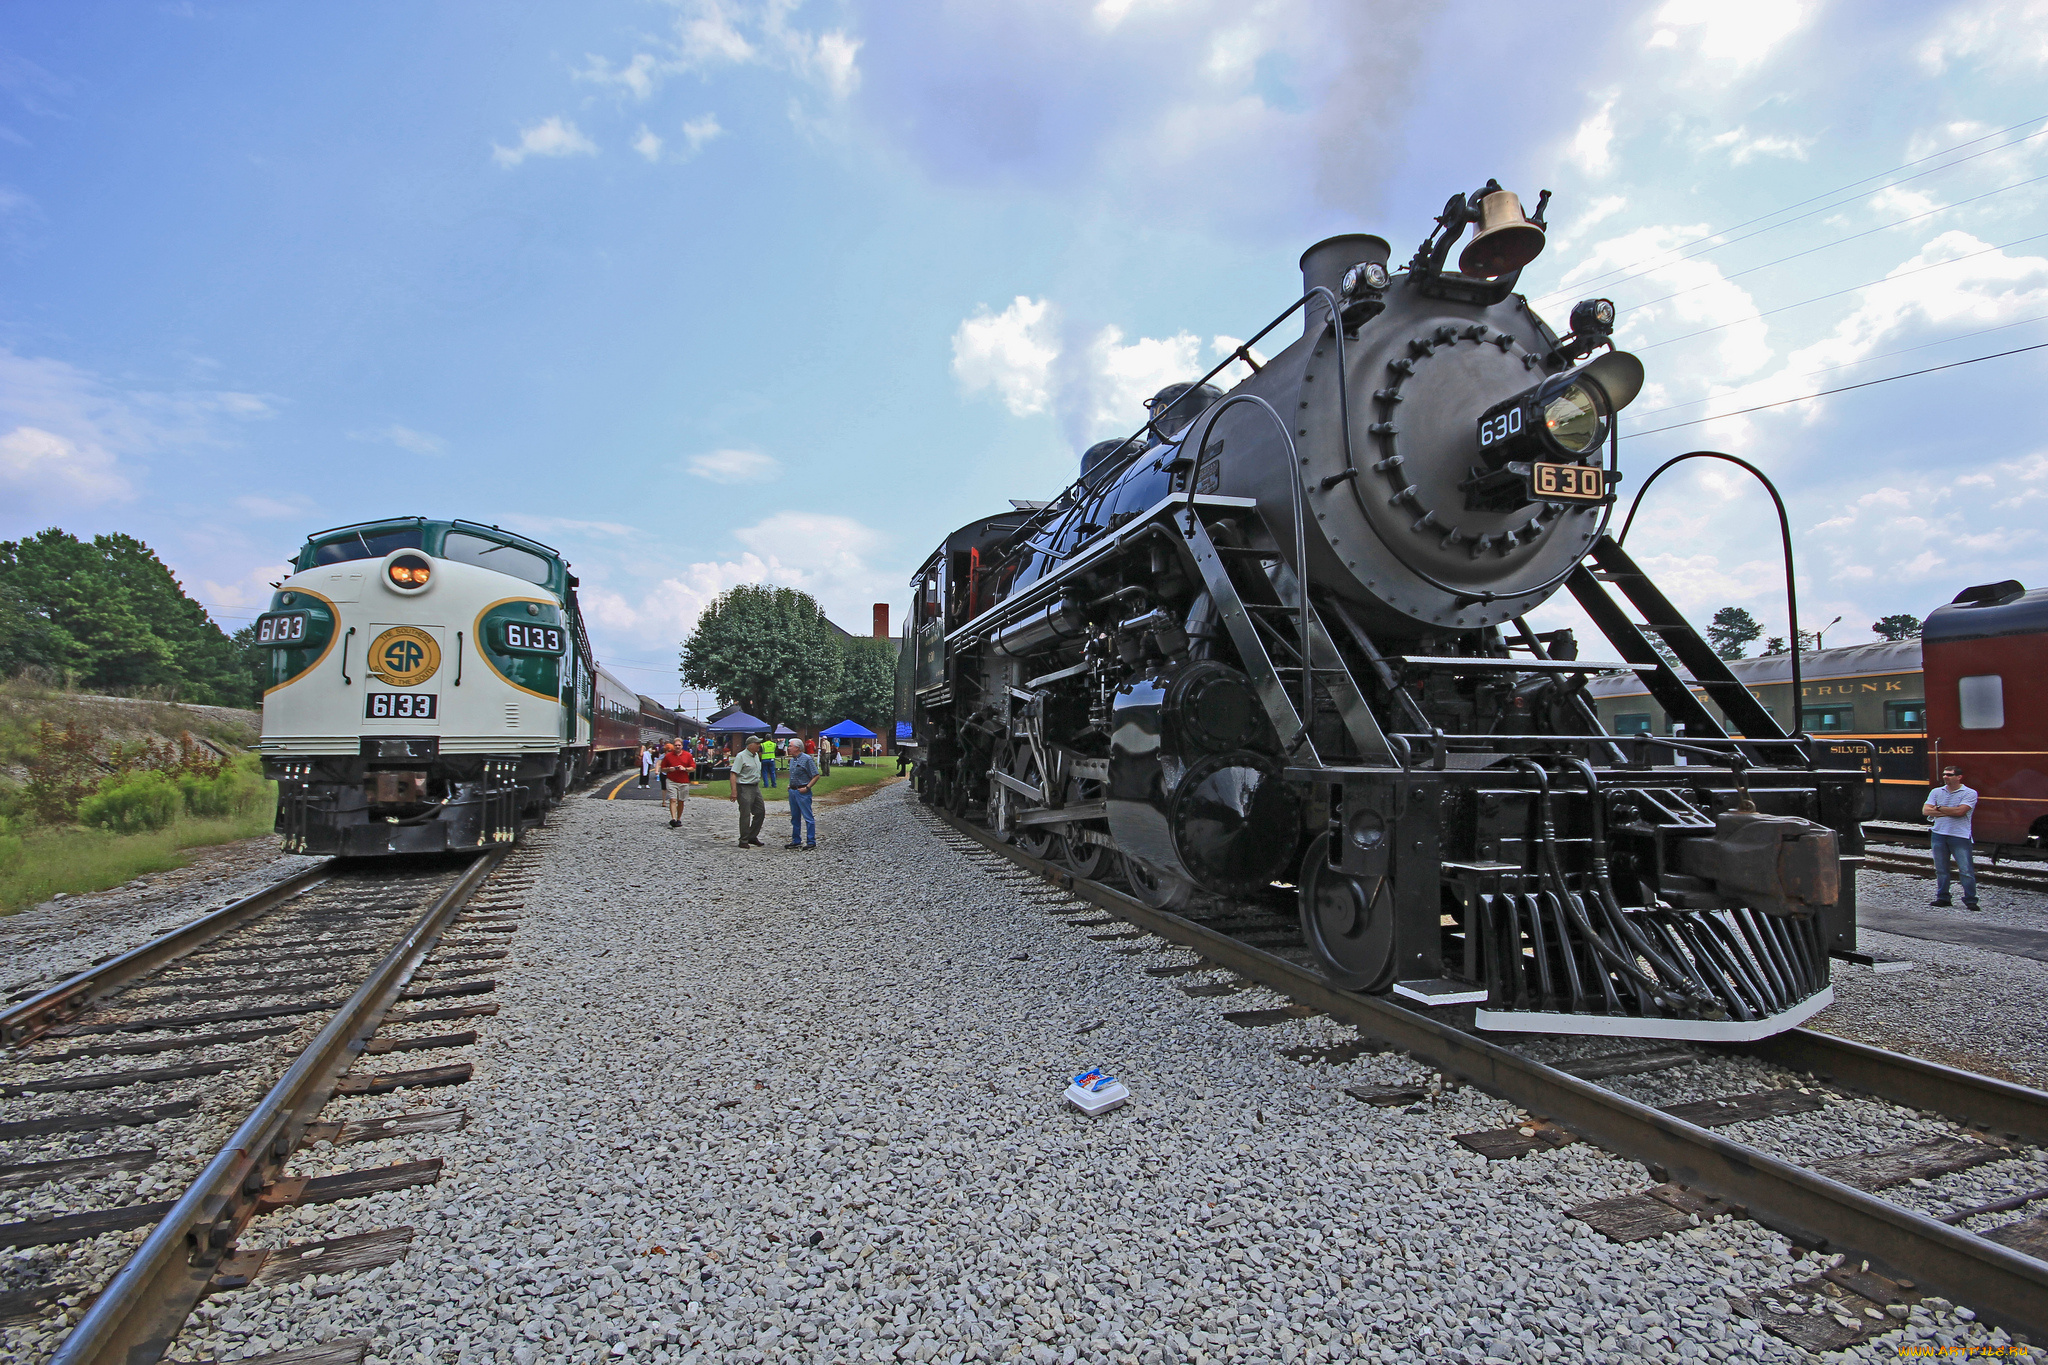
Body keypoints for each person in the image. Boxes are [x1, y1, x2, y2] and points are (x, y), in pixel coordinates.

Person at [1923, 766, 1980, 910]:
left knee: (1966, 870)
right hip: (1939, 834)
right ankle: (1943, 897)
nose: (1945, 777)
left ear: (1959, 777)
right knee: (1941, 869)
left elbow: (1961, 811)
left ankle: (1971, 900)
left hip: (1959, 835)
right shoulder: (1936, 791)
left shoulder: (1969, 793)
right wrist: (1950, 811)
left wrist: (1938, 808)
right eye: (1944, 774)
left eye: (1949, 774)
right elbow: (1925, 810)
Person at [729, 735, 767, 847]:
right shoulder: (741, 756)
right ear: (750, 745)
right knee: (745, 814)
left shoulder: (756, 756)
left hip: (755, 786)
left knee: (760, 811)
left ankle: (752, 836)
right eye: (757, 744)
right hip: (744, 787)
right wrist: (734, 791)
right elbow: (733, 773)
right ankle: (743, 840)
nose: (759, 746)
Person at [784, 741, 820, 849]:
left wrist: (807, 787)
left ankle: (811, 841)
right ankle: (796, 840)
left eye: (790, 746)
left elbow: (816, 775)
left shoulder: (807, 759)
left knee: (807, 816)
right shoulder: (792, 760)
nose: (788, 748)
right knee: (795, 817)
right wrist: (790, 785)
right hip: (793, 791)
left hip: (803, 791)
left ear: (797, 748)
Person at [660, 742, 695, 828]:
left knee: (681, 801)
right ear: (673, 746)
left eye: (679, 745)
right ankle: (673, 819)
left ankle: (679, 818)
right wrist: (669, 769)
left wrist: (685, 769)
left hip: (683, 781)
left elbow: (693, 768)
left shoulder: (688, 755)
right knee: (673, 799)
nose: (677, 747)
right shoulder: (668, 756)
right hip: (671, 780)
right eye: (676, 745)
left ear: (682, 746)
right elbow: (662, 769)